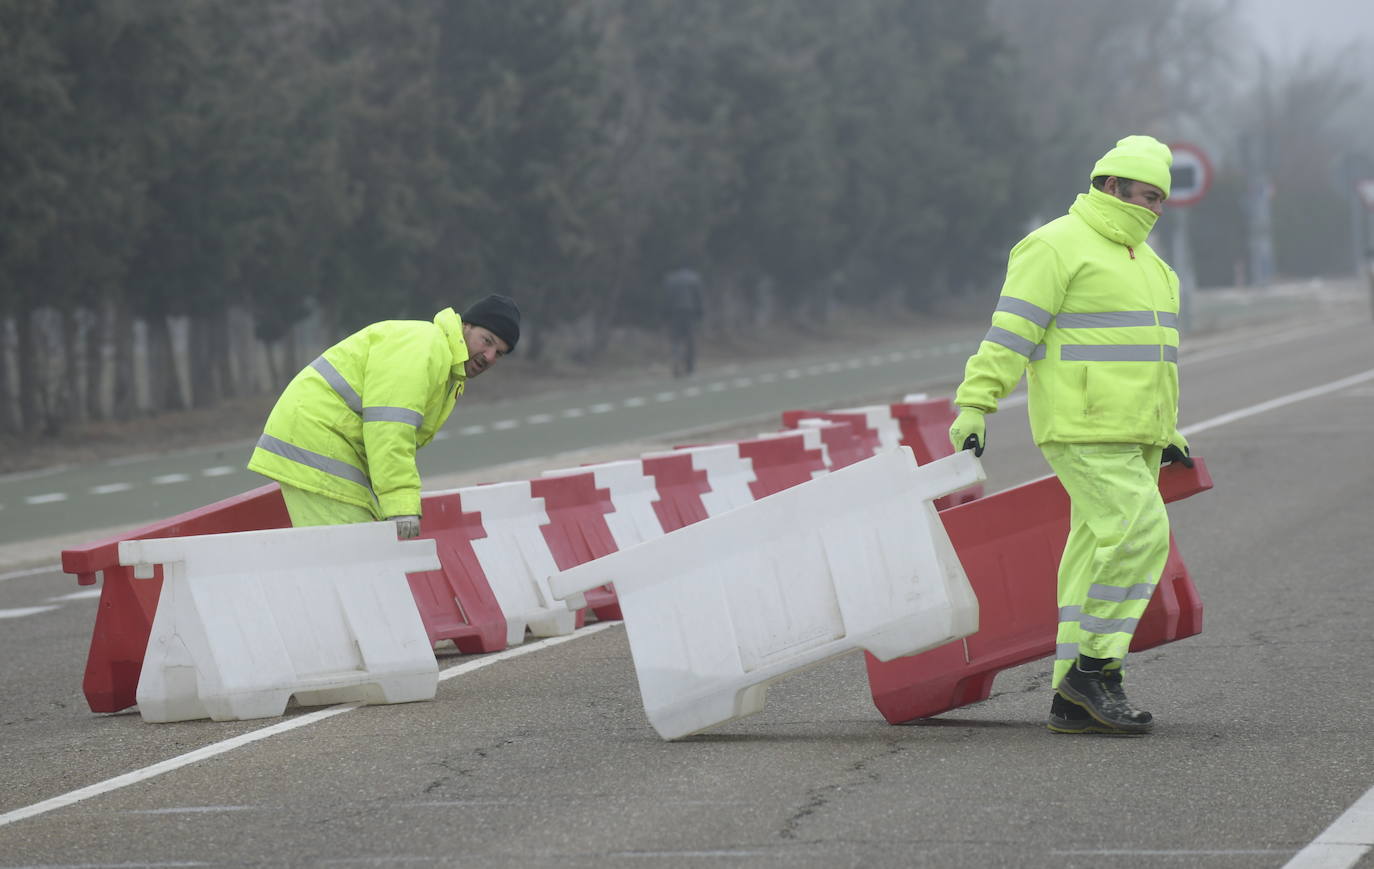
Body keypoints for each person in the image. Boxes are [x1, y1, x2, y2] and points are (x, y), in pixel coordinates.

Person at [947, 135, 1193, 736]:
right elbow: (1010, 335)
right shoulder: (1054, 245)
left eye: (1161, 199)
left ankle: (1069, 697)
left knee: (1091, 558)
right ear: (1109, 185)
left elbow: (1150, 363)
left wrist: (1168, 431)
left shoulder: (1155, 268)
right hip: (1081, 428)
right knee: (1139, 532)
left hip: (1134, 435)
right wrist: (976, 404)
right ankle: (1095, 671)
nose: (1153, 209)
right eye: (1144, 195)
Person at [247, 295, 520, 539]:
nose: (489, 356)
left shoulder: (448, 370)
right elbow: (390, 429)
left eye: (499, 353)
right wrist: (401, 505)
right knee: (351, 554)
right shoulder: (425, 348)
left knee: (355, 553)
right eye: (487, 341)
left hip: (332, 444)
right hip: (318, 441)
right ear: (466, 326)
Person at [662, 267, 704, 377]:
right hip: (689, 312)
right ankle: (689, 368)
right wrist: (700, 313)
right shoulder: (693, 278)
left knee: (676, 340)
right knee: (690, 341)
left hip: (675, 312)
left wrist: (666, 314)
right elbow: (698, 297)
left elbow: (667, 298)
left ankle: (676, 362)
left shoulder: (670, 279)